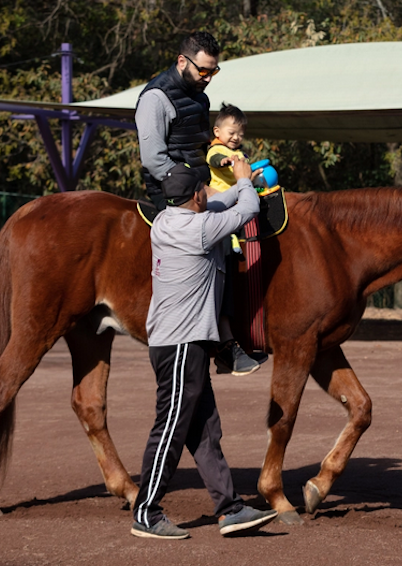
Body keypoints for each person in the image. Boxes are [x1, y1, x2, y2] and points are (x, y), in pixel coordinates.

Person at [130, 158, 277, 540]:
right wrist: (246, 181)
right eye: (203, 189)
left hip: (181, 344)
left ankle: (229, 509)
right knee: (171, 429)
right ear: (196, 195)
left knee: (205, 430)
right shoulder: (199, 230)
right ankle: (146, 511)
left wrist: (242, 182)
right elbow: (247, 209)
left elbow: (220, 204)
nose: (206, 194)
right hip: (180, 345)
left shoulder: (167, 220)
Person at [135, 31, 262, 376]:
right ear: (182, 62)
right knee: (217, 241)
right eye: (203, 71)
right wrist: (194, 194)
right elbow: (153, 159)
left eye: (213, 72)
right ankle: (225, 344)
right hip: (173, 190)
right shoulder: (156, 98)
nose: (208, 78)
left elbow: (198, 147)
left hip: (198, 188)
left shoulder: (200, 98)